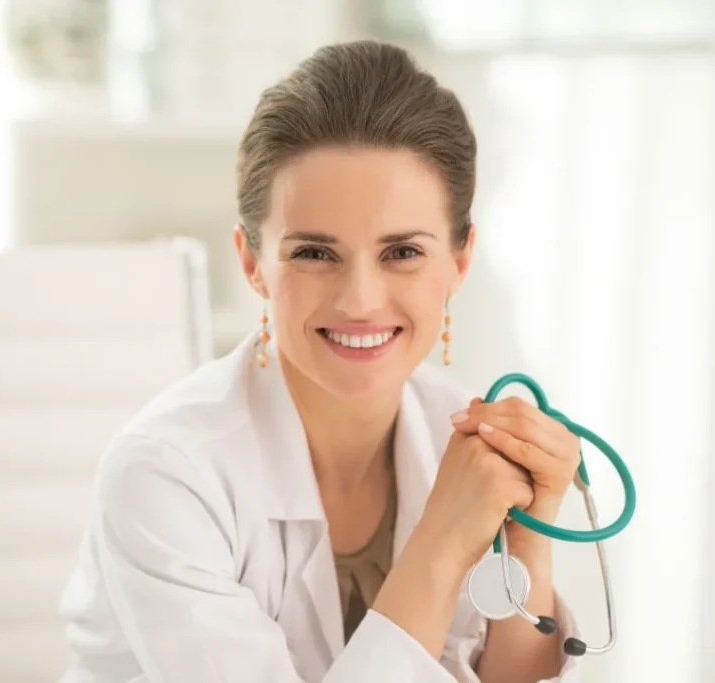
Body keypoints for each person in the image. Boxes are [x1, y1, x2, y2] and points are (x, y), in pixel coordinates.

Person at [58, 40, 584, 683]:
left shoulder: (464, 435)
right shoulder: (165, 475)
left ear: (460, 262)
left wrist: (529, 532)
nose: (359, 300)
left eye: (403, 253)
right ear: (253, 263)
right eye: (313, 253)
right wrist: (442, 544)